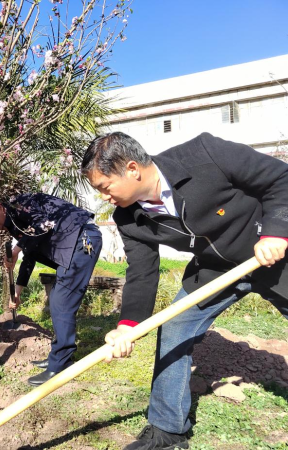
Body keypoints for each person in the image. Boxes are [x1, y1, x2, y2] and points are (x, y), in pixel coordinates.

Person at [82, 132, 288, 450]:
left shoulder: (205, 154)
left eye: (105, 188)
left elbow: (280, 179)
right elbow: (142, 272)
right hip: (215, 269)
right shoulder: (128, 217)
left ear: (132, 169)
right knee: (175, 324)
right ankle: (167, 431)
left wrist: (276, 232)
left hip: (272, 253)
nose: (105, 198)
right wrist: (127, 326)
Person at [0, 193, 102, 386]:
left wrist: (16, 249)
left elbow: (43, 223)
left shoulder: (21, 204)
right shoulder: (18, 221)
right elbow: (29, 256)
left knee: (61, 302)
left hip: (82, 240)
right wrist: (17, 293)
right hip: (72, 245)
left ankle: (59, 365)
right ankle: (60, 358)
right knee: (57, 299)